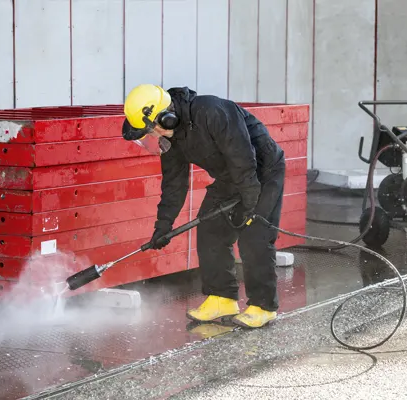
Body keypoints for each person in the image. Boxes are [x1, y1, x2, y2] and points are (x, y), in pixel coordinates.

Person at [121, 84, 286, 328]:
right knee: (210, 228)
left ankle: (263, 306)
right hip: (231, 175)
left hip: (262, 170)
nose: (151, 138)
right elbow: (174, 185)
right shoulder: (171, 136)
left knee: (254, 236)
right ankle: (222, 298)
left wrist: (250, 205)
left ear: (165, 117)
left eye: (149, 132)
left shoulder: (212, 111)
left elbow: (242, 156)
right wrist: (163, 225)